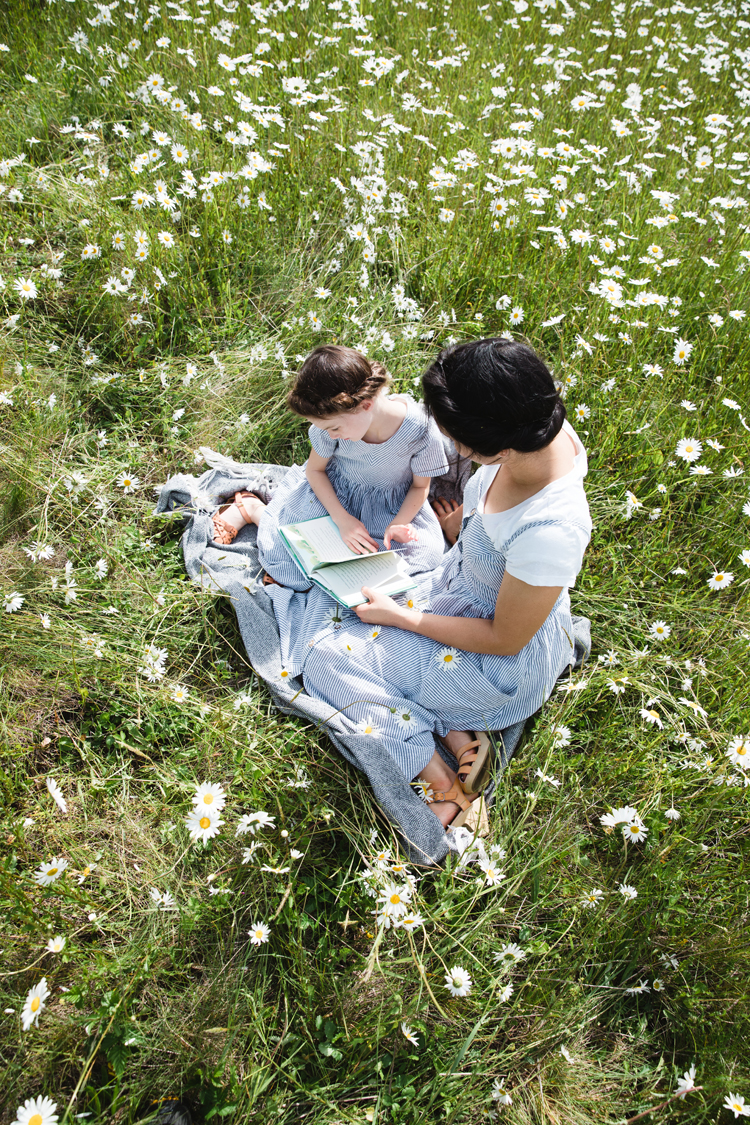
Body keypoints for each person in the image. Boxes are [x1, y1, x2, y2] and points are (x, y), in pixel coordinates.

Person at [278, 337, 593, 832]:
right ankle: (458, 734)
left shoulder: (551, 532)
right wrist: (464, 530)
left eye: (455, 440)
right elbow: (500, 528)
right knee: (349, 600)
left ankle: (441, 779)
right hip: (459, 589)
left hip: (496, 666)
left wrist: (401, 618)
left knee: (325, 658)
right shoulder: (538, 424)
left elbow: (505, 638)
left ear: (497, 449)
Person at [212, 345, 450, 588]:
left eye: (335, 428)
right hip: (337, 496)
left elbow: (420, 487)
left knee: (428, 552)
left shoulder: (420, 429)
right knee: (287, 548)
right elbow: (315, 471)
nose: (332, 435)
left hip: (391, 506)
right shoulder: (331, 430)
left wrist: (399, 524)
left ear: (366, 404)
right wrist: (342, 519)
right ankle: (252, 509)